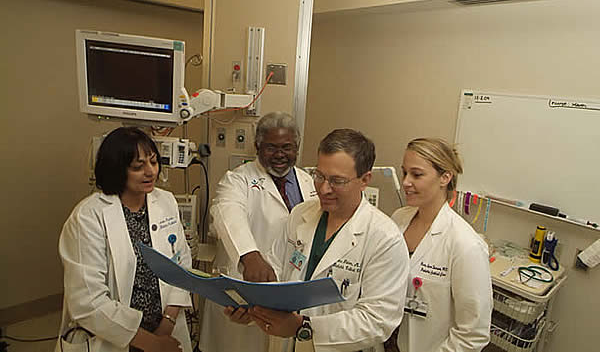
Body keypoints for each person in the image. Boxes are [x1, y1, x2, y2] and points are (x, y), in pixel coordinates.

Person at [226, 128, 410, 352]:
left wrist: (303, 327)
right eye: (319, 176)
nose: (324, 189)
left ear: (365, 180)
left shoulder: (384, 238)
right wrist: (253, 307)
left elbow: (378, 321)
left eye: (337, 181)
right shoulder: (300, 215)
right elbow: (276, 273)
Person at [57, 127, 193, 352]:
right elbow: (87, 301)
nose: (150, 172)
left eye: (153, 162)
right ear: (116, 169)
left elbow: (182, 265)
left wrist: (167, 324)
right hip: (112, 338)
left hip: (165, 330)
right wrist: (152, 344)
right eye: (138, 167)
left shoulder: (166, 201)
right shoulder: (88, 217)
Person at [200, 112, 316, 352]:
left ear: (297, 148)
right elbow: (227, 213)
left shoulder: (310, 184)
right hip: (244, 292)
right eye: (271, 147)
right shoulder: (237, 180)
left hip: (289, 298)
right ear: (257, 147)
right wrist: (249, 256)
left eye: (287, 147)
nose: (280, 154)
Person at [391, 138, 492, 352]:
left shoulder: (465, 245)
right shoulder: (399, 219)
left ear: (445, 178)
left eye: (416, 174)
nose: (406, 182)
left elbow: (473, 334)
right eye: (404, 173)